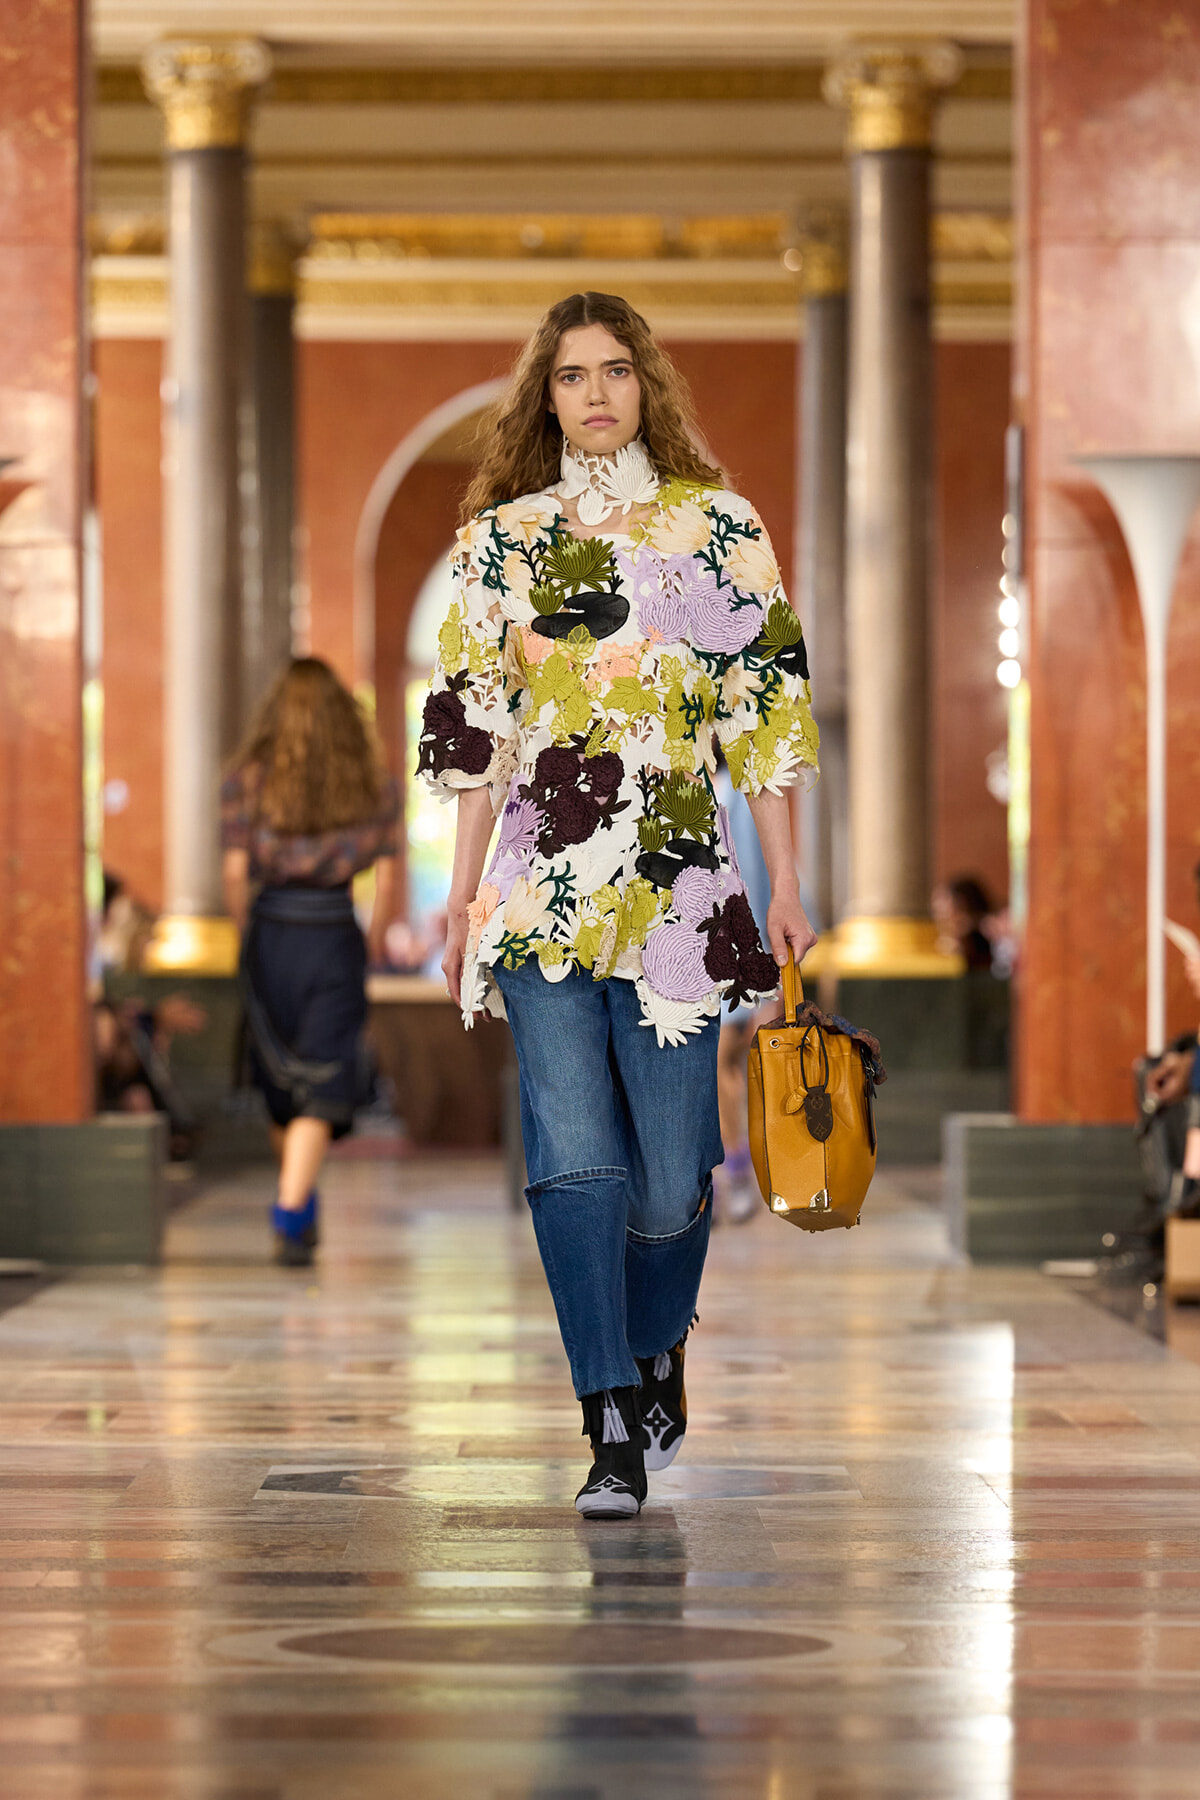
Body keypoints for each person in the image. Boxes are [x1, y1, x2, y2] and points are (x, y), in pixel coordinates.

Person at [418, 291, 819, 1519]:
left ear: (648, 386)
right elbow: (476, 724)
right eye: (572, 376)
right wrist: (458, 889)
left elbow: (769, 714)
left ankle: (658, 1348)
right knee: (576, 1161)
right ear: (546, 397)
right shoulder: (502, 543)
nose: (595, 393)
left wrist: (787, 880)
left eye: (616, 372)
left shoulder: (718, 529)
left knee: (667, 1177)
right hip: (539, 888)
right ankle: (606, 1419)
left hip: (684, 891)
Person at [221, 658, 398, 1267]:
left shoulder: (246, 781)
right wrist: (368, 938)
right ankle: (294, 1201)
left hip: (271, 931)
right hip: (331, 931)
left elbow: (233, 873)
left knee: (279, 1075)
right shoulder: (369, 784)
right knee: (322, 1072)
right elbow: (386, 873)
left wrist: (249, 937)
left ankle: (294, 1201)